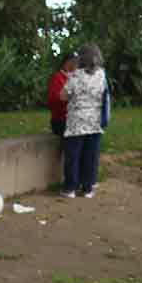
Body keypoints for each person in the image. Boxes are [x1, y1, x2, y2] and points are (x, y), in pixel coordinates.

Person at [60, 44, 109, 199]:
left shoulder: (75, 75)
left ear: (81, 58)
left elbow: (63, 95)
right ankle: (88, 188)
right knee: (91, 156)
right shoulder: (102, 74)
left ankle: (70, 188)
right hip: (94, 122)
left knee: (73, 156)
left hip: (76, 123)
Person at [47, 52, 76, 138]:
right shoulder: (57, 78)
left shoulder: (76, 77)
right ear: (67, 62)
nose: (78, 65)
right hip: (61, 120)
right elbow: (53, 101)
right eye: (75, 62)